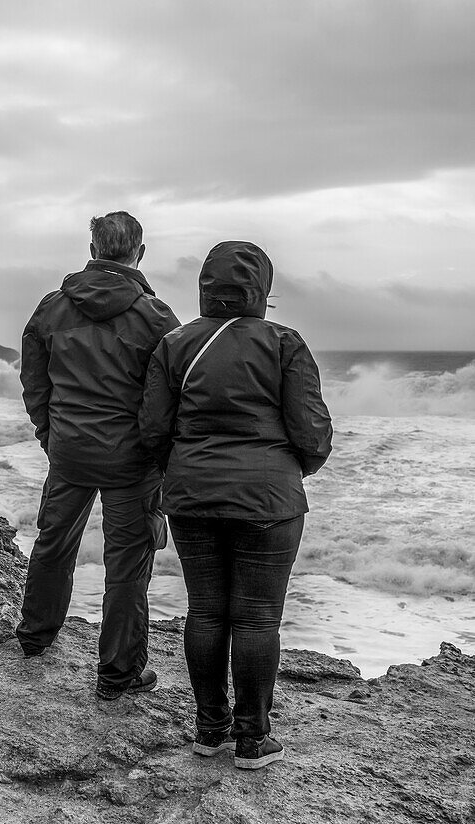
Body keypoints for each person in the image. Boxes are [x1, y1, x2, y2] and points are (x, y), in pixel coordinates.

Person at [139, 240, 332, 769]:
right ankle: (252, 740)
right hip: (270, 498)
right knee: (257, 620)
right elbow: (312, 431)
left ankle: (208, 730)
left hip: (192, 496)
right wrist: (289, 471)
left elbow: (153, 429)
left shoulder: (175, 344)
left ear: (206, 286)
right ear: (261, 288)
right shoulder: (283, 342)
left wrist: (181, 472)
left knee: (205, 612)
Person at [17, 211, 180, 699]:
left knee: (54, 540)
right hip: (130, 460)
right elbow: (169, 398)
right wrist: (159, 453)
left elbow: (33, 379)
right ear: (140, 253)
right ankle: (118, 673)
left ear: (91, 246)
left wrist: (51, 433)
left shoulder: (53, 307)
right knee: (127, 562)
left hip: (69, 449)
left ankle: (35, 636)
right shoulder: (156, 317)